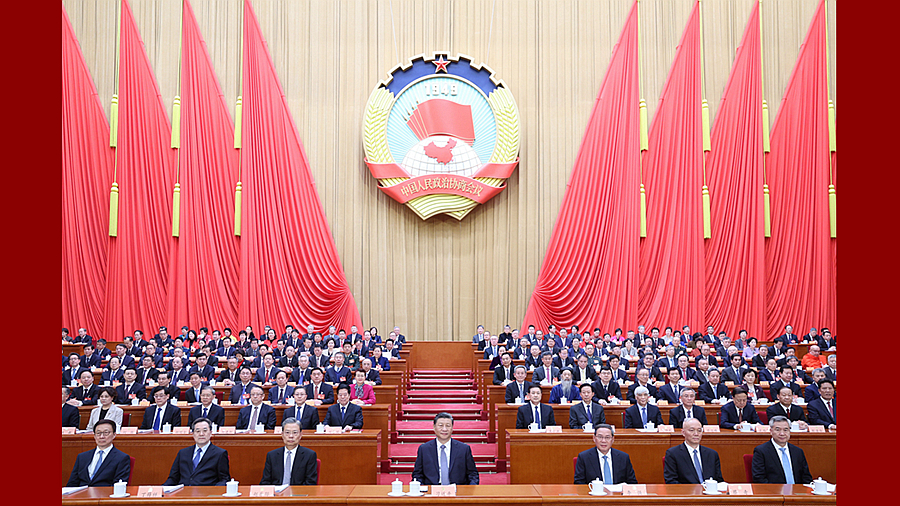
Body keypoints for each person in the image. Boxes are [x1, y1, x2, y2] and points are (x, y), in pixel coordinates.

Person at [411, 412, 480, 485]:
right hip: (431, 492)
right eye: (440, 425)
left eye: (448, 426)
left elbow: (473, 474)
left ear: (452, 428)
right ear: (434, 427)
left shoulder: (464, 449)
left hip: (458, 492)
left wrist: (470, 489)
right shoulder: (424, 449)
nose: (444, 429)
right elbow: (417, 475)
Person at [164, 417, 230, 486]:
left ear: (210, 433)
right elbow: (173, 478)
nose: (201, 434)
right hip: (183, 493)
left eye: (205, 430)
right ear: (193, 434)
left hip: (206, 494)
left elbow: (224, 479)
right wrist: (161, 490)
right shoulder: (183, 453)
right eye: (197, 431)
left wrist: (213, 491)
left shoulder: (220, 453)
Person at [66, 419, 131, 486]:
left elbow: (118, 485)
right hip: (81, 495)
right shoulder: (82, 457)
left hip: (104, 495)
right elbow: (72, 483)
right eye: (98, 433)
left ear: (114, 435)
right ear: (94, 436)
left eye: (106, 433)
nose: (101, 436)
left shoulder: (121, 458)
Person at [751, 415, 813, 484]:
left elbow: (806, 477)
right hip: (774, 492)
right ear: (771, 431)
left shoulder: (798, 451)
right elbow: (759, 478)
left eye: (785, 430)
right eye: (777, 430)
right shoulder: (761, 451)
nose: (782, 433)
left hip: (797, 492)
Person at [259, 417, 318, 485]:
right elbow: (265, 482)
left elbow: (310, 483)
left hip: (298, 494)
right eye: (287, 432)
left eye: (295, 433)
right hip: (277, 493)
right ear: (282, 435)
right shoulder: (272, 455)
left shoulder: (309, 455)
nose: (291, 436)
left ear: (300, 435)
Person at [664, 418, 724, 484]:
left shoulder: (712, 454)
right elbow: (671, 481)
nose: (696, 434)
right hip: (686, 493)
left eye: (699, 430)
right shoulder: (673, 453)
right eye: (692, 430)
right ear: (683, 433)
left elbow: (719, 481)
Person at [573, 424, 638, 484]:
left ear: (612, 439)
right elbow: (579, 483)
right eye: (600, 437)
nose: (603, 441)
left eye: (607, 437)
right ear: (594, 438)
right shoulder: (584, 457)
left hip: (617, 495)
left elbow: (632, 482)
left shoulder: (623, 457)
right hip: (595, 495)